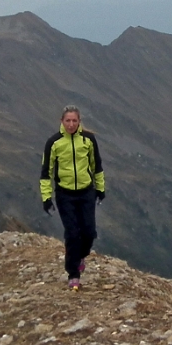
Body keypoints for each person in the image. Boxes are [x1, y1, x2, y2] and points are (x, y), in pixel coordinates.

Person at [39, 105, 105, 289]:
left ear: (79, 121)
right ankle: (73, 273)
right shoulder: (54, 143)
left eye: (74, 120)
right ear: (61, 121)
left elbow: (96, 165)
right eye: (67, 120)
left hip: (86, 192)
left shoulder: (88, 139)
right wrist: (46, 198)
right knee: (72, 234)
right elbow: (46, 173)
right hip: (64, 194)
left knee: (89, 232)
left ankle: (81, 255)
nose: (71, 124)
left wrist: (100, 189)